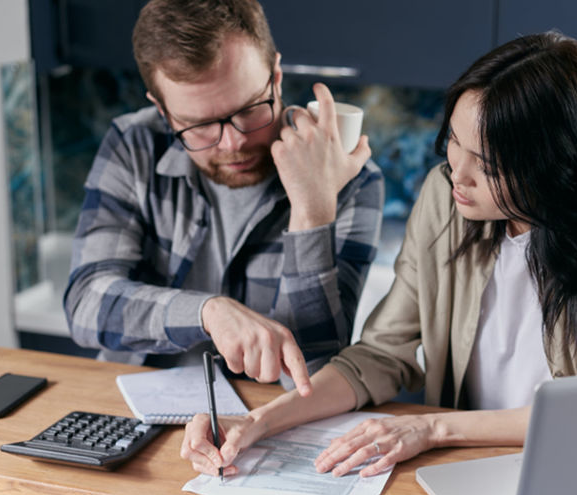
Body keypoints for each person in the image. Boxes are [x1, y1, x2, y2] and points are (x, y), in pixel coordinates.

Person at [181, 31, 577, 480]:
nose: (456, 175)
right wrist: (258, 422)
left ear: (553, 165)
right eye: (454, 145)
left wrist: (434, 429)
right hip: (462, 468)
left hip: (575, 472)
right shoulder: (446, 197)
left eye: (485, 165)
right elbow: (379, 355)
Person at [62, 0, 384, 396]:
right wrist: (208, 313)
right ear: (162, 111)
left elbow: (316, 374)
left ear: (277, 77)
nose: (234, 143)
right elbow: (85, 305)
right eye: (198, 125)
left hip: (271, 422)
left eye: (249, 109)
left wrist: (311, 211)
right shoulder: (134, 145)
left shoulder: (351, 178)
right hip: (137, 406)